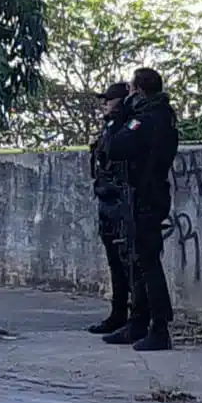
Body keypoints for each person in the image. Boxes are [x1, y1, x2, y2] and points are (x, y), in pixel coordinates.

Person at [98, 67, 179, 351]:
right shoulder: (164, 116)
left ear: (139, 91)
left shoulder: (145, 120)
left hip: (144, 196)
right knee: (141, 261)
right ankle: (140, 322)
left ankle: (157, 326)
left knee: (146, 263)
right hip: (151, 193)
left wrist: (119, 118)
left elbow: (115, 148)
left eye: (132, 91)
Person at [86, 81, 134, 335]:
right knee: (115, 263)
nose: (104, 104)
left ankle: (130, 316)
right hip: (107, 200)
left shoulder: (126, 127)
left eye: (109, 99)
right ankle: (117, 314)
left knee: (127, 263)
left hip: (121, 201)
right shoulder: (110, 127)